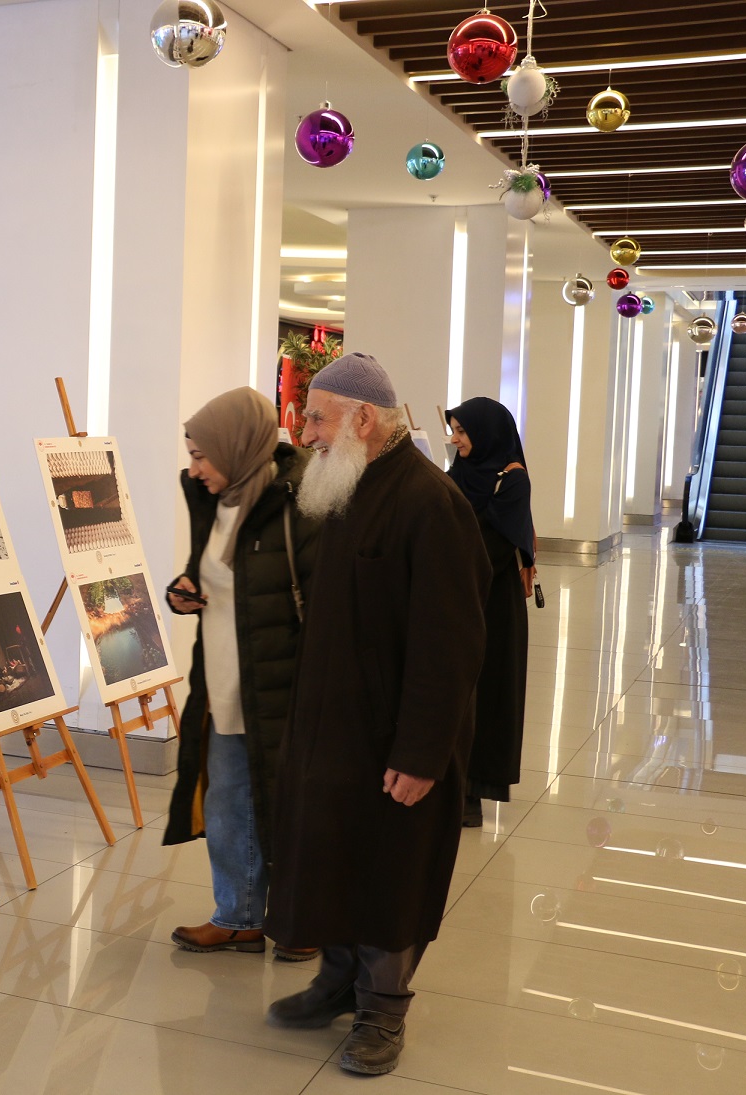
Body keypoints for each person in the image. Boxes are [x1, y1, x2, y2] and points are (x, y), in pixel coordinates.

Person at [264, 353, 490, 1077]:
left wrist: (421, 754)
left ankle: (381, 1011)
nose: (306, 432)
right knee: (327, 854)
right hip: (332, 729)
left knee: (392, 870)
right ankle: (336, 982)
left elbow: (449, 647)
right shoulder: (346, 486)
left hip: (399, 737)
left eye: (318, 417)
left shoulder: (431, 504)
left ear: (365, 419)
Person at [162, 387, 321, 961]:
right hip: (224, 682)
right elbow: (209, 574)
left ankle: (303, 922)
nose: (193, 467)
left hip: (282, 686)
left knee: (292, 808)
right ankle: (238, 916)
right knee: (229, 802)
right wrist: (184, 591)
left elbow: (321, 601)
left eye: (201, 454)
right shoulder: (216, 501)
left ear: (235, 445)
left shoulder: (298, 500)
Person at [446, 397, 536, 826]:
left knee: (488, 692)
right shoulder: (458, 473)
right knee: (453, 688)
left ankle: (472, 792)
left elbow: (496, 546)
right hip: (455, 595)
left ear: (485, 433)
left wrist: (446, 556)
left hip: (493, 604)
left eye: (462, 432)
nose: (455, 439)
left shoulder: (513, 481)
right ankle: (449, 783)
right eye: (455, 430)